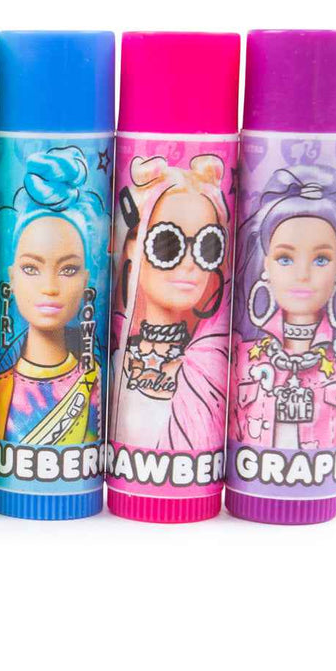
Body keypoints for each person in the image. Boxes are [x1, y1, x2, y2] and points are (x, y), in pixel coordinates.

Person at [110, 154, 230, 450]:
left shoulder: (210, 365)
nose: (189, 263)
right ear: (132, 247)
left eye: (207, 245)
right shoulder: (111, 358)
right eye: (167, 243)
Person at [231, 166, 336, 450]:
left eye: (321, 259)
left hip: (318, 472)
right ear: (266, 264)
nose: (302, 275)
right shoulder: (244, 355)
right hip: (247, 469)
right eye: (285, 259)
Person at [0, 147, 105, 446]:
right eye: (31, 268)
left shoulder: (93, 378)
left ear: (85, 280)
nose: (50, 287)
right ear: (11, 277)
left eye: (68, 270)